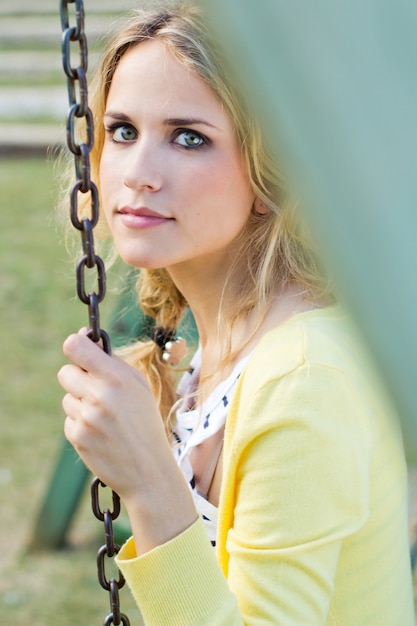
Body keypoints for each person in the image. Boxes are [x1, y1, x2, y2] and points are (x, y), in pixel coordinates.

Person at [57, 1, 415, 623]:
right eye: (121, 131)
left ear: (271, 172)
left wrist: (148, 483)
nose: (137, 173)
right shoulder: (223, 345)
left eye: (189, 138)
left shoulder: (303, 377)